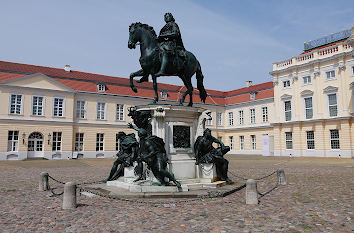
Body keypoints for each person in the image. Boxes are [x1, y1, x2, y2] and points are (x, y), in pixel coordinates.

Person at [155, 12, 186, 77]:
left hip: (172, 44)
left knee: (164, 51)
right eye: (165, 17)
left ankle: (162, 70)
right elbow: (160, 37)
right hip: (163, 43)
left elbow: (175, 34)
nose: (166, 18)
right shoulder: (164, 27)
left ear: (171, 17)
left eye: (168, 16)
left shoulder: (173, 24)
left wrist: (164, 36)